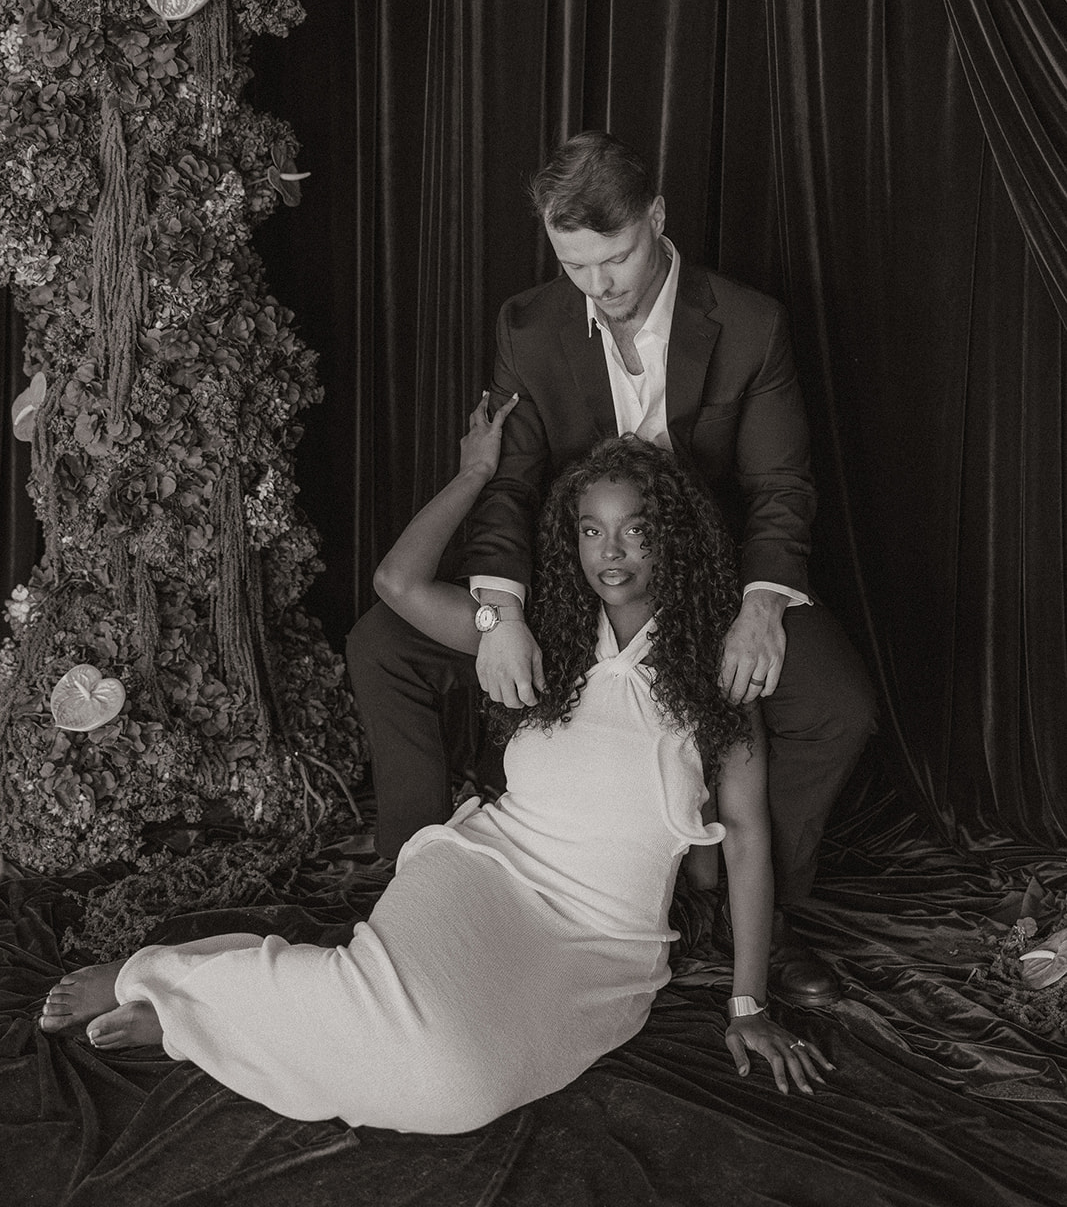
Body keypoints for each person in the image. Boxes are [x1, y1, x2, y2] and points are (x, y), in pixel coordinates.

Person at [39, 408, 833, 1131]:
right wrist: (475, 474)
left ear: (673, 537)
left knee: (456, 1092)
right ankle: (168, 982)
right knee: (381, 1011)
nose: (611, 553)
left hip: (603, 942)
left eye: (633, 530)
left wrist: (746, 1002)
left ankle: (198, 1016)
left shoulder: (713, 677)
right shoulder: (542, 638)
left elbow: (747, 843)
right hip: (485, 873)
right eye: (590, 532)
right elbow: (397, 585)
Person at [348, 132, 878, 1006]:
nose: (600, 286)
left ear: (656, 219)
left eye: (617, 258)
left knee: (838, 708)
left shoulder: (748, 323)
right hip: (582, 582)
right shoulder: (529, 324)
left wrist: (759, 609)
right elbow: (512, 485)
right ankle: (413, 885)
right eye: (575, 265)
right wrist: (501, 613)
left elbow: (781, 487)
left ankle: (760, 915)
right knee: (380, 644)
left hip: (711, 583)